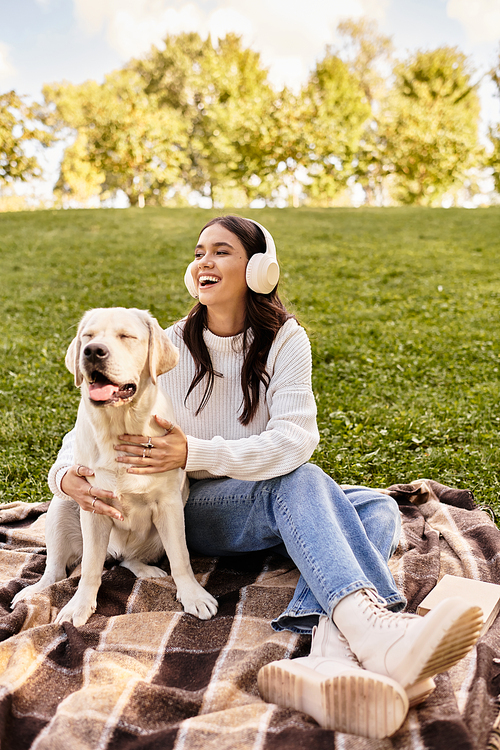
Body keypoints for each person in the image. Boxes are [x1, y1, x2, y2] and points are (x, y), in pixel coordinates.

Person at [48, 215, 482, 739]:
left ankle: (329, 654)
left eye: (221, 251)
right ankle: (372, 626)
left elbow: (295, 440)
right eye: (199, 251)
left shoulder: (285, 341)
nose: (204, 261)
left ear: (258, 269)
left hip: (249, 492)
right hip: (188, 509)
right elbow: (90, 429)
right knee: (301, 482)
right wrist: (63, 477)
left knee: (376, 506)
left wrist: (194, 449)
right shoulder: (164, 344)